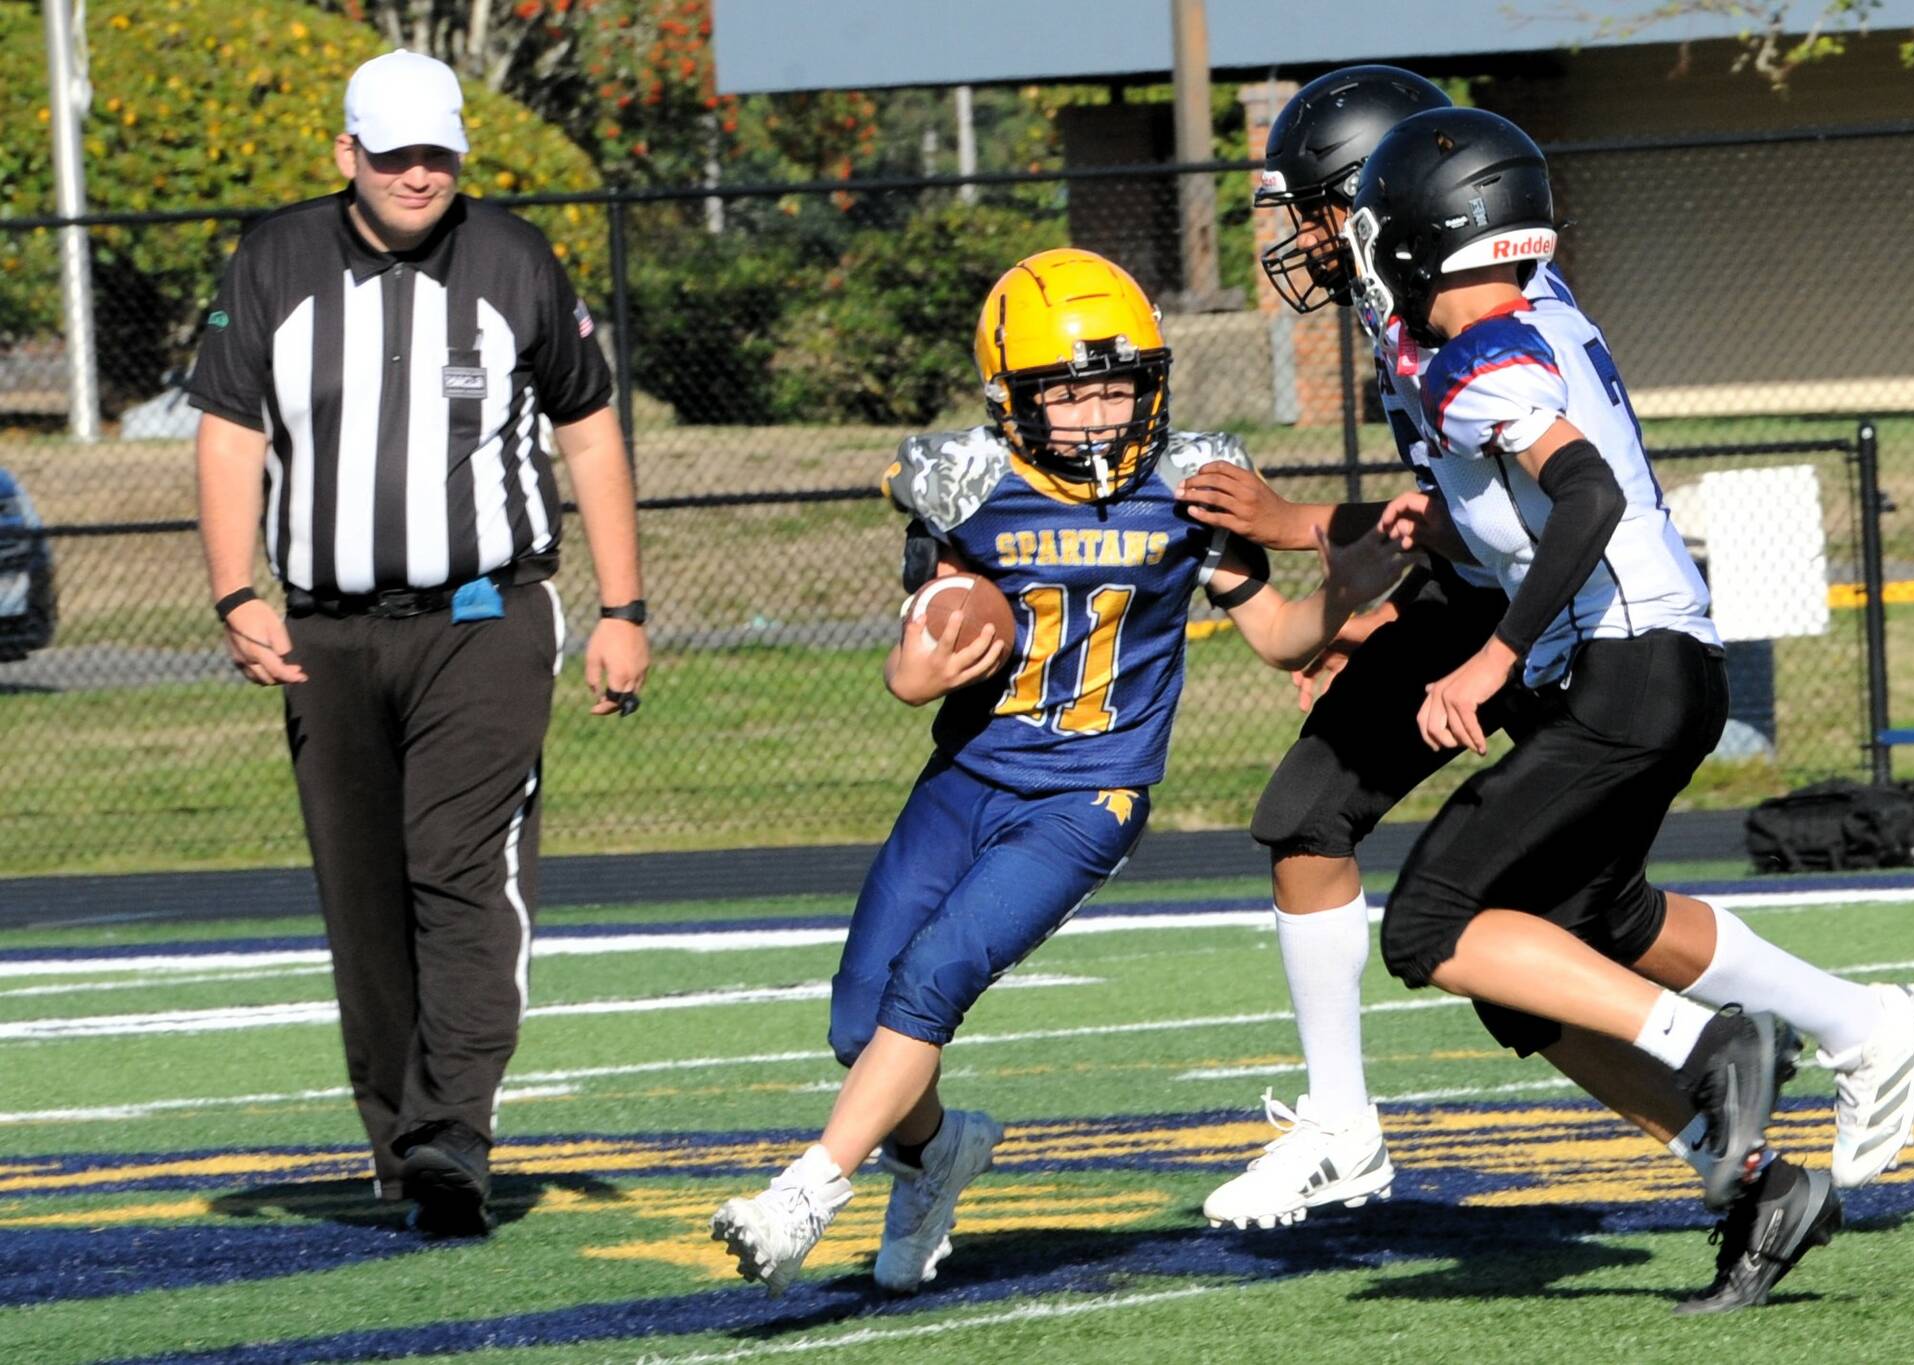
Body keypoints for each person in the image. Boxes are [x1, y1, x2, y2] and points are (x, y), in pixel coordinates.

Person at [708, 247, 1415, 1296]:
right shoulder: (968, 487)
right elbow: (913, 659)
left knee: (935, 974)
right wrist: (920, 668)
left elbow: (1276, 638)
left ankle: (806, 1190)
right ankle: (937, 1151)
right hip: (965, 780)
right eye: (1068, 393)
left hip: (1090, 792)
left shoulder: (1186, 486)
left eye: (1113, 387)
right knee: (858, 1022)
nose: (1095, 414)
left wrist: (1342, 596)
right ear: (1011, 400)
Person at [1333, 105, 1914, 1259]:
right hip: (1656, 665)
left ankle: (1711, 1044)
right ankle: (1802, 1116)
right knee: (1567, 943)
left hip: (1623, 670)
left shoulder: (1477, 351)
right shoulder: (1536, 313)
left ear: (1426, 234)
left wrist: (1487, 655)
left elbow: (1585, 497)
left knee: (1425, 925)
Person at [186, 49, 649, 1238]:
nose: (415, 174)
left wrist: (622, 608)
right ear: (347, 153)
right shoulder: (275, 261)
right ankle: (401, 1147)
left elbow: (590, 432)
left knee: (456, 861)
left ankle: (454, 1131)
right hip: (328, 634)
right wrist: (236, 593)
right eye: (391, 152)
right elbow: (231, 436)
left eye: (435, 152)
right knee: (363, 897)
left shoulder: (512, 260)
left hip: (484, 618)